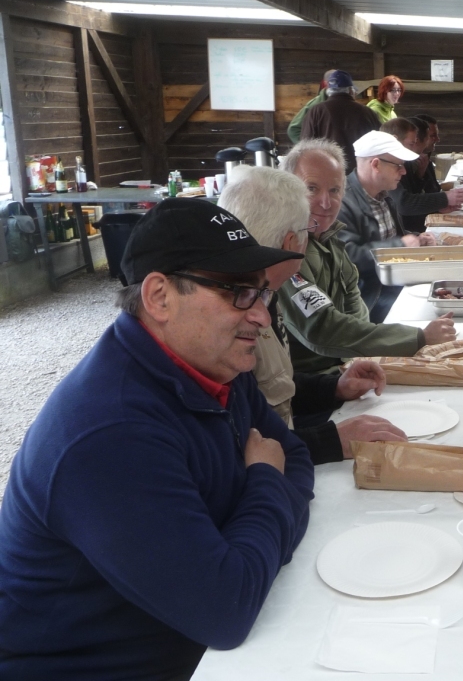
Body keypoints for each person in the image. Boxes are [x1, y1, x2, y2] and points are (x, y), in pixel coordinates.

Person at [0, 199, 314, 679]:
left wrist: (249, 543)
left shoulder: (218, 364)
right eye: (238, 292)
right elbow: (226, 611)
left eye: (261, 293)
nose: (262, 317)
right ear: (160, 297)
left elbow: (295, 456)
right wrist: (267, 484)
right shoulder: (111, 435)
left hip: (194, 641)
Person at [218, 167, 409, 464]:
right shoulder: (241, 311)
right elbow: (238, 447)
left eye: (335, 190)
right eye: (308, 229)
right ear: (292, 243)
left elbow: (271, 388)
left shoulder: (262, 293)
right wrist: (329, 440)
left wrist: (334, 388)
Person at [278, 139, 455, 375]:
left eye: (334, 190)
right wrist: (417, 337)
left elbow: (354, 305)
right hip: (309, 382)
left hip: (342, 368)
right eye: (311, 189)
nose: (326, 202)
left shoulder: (330, 237)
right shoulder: (286, 248)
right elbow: (321, 327)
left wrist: (360, 358)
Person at [338, 130, 438, 322]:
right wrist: (400, 246)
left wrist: (416, 238)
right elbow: (348, 258)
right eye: (398, 165)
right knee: (430, 311)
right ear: (375, 164)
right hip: (369, 296)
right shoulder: (342, 202)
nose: (404, 171)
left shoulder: (383, 194)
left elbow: (386, 237)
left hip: (393, 281)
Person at [390, 114, 463, 233]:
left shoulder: (412, 161)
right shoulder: (392, 163)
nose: (436, 140)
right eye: (431, 136)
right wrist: (445, 198)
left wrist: (437, 208)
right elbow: (404, 204)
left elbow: (426, 193)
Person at [300, 69, 380, 173]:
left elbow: (305, 145)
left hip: (327, 173)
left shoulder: (316, 111)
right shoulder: (368, 113)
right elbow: (379, 144)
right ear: (351, 91)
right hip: (361, 174)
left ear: (329, 91)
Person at [287, 68, 334, 144]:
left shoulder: (346, 104)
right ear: (325, 84)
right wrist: (309, 146)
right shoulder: (314, 105)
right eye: (334, 82)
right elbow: (294, 129)